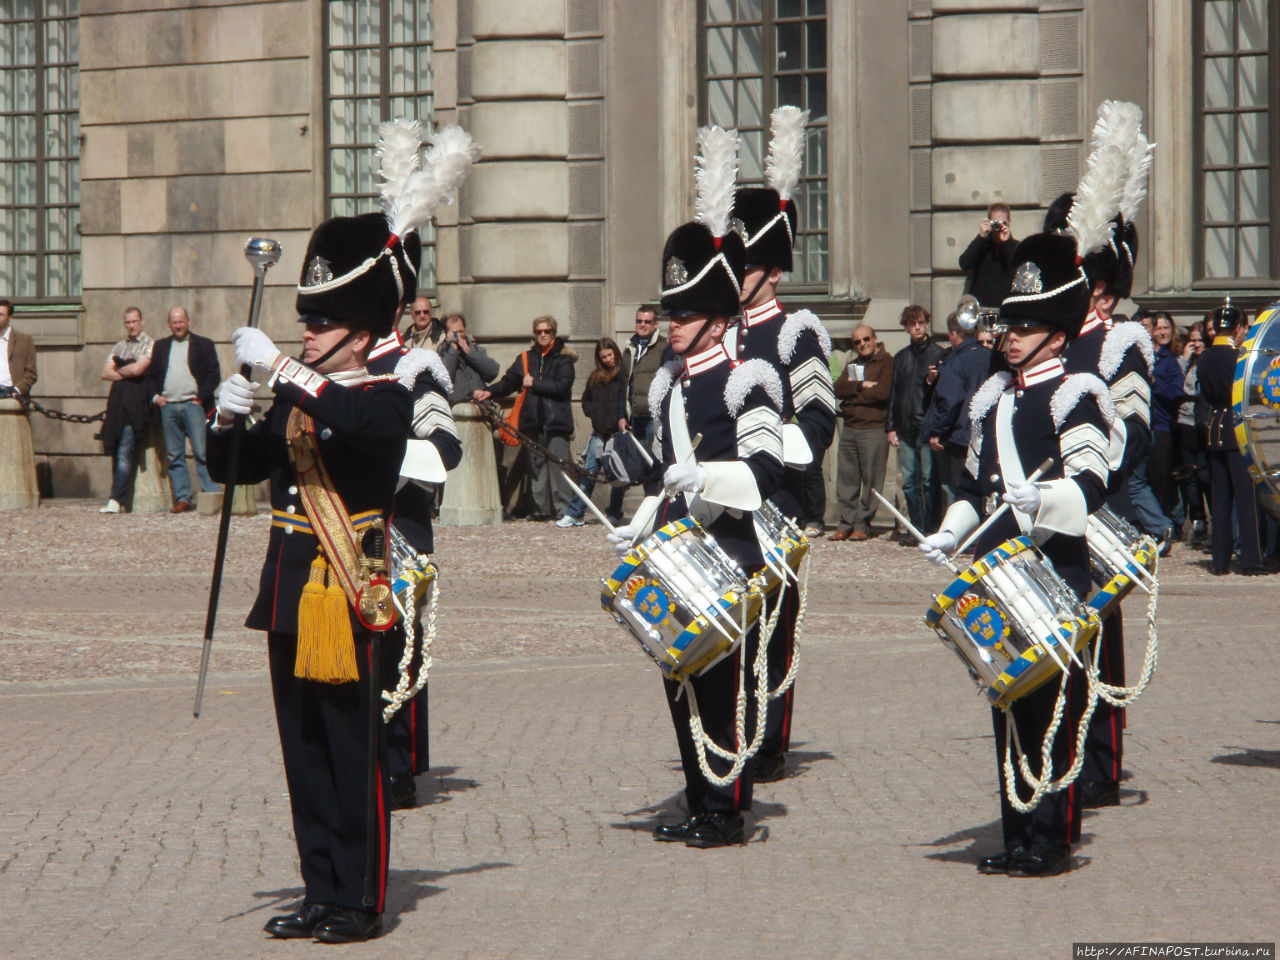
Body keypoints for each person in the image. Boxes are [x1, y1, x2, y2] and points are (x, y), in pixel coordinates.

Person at [208, 215, 421, 945]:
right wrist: (225, 417)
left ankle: (360, 898)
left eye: (323, 322)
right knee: (302, 751)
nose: (308, 332)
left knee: (348, 750)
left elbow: (360, 426)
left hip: (346, 594)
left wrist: (280, 374)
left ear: (360, 333)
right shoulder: (304, 395)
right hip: (289, 591)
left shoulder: (387, 391)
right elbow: (232, 470)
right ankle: (320, 886)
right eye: (307, 322)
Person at [921, 229, 1113, 878]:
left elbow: (1091, 482)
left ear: (1057, 334)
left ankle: (1053, 837)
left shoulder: (1078, 392)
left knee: (1053, 709)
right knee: (1007, 703)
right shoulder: (994, 398)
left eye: (1026, 326)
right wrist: (952, 528)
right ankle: (1018, 830)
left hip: (1054, 570)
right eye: (1010, 324)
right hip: (1001, 573)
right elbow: (976, 487)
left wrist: (1044, 496)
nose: (1010, 335)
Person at [608, 171, 785, 848]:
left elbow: (765, 472)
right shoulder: (668, 389)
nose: (672, 326)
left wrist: (701, 476)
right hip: (680, 549)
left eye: (683, 316)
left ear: (715, 316)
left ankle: (726, 807)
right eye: (671, 313)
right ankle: (699, 792)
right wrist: (643, 503)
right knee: (678, 683)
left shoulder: (751, 380)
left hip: (730, 553)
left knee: (719, 690)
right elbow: (663, 474)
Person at [728, 106, 837, 780]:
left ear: (770, 270)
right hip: (724, 503)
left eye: (745, 266)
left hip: (779, 504)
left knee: (772, 627)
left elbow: (819, 421)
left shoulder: (797, 331)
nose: (734, 277)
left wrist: (771, 454)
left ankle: (769, 738)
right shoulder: (723, 335)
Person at [474, 316, 577, 521]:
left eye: (547, 331)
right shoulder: (526, 358)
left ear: (554, 333)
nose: (543, 335)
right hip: (532, 421)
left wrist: (534, 383)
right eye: (539, 332)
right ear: (535, 334)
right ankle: (541, 511)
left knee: (559, 469)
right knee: (536, 469)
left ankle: (563, 511)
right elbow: (508, 382)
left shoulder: (564, 359)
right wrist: (489, 392)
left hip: (556, 422)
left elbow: (562, 386)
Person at [1200, 300, 1266, 575]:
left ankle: (1220, 559)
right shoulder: (1237, 357)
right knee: (1246, 497)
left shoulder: (1204, 357)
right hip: (1238, 427)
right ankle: (1251, 559)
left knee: (1220, 498)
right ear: (1238, 328)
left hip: (1215, 426)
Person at [143, 306, 221, 513]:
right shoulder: (160, 346)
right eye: (174, 322)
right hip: (168, 407)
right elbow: (150, 378)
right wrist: (156, 398)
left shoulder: (204, 345)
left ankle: (211, 494)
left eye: (181, 321)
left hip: (193, 405)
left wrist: (200, 397)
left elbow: (214, 375)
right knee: (174, 455)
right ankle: (183, 498)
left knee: (202, 452)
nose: (178, 325)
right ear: (169, 324)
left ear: (188, 321)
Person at [921, 312, 990, 509]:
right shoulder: (991, 357)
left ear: (953, 333)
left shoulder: (955, 361)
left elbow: (949, 401)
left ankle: (962, 537)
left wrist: (937, 432)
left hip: (960, 437)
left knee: (959, 493)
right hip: (986, 433)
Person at [886, 304, 944, 535]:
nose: (917, 327)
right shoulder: (901, 357)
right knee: (909, 482)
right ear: (907, 327)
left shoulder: (938, 353)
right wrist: (890, 427)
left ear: (927, 324)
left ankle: (931, 528)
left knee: (929, 480)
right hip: (905, 426)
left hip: (927, 426)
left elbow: (942, 393)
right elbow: (894, 394)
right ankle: (916, 528)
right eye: (912, 323)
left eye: (920, 322)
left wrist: (932, 380)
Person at [831, 325, 892, 541]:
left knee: (872, 479)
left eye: (866, 339)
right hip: (850, 427)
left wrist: (855, 393)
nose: (862, 344)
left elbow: (883, 393)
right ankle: (846, 522)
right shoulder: (854, 364)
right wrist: (862, 386)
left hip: (873, 428)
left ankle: (862, 524)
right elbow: (838, 389)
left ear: (875, 339)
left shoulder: (886, 362)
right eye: (857, 342)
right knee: (847, 478)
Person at [559, 337, 626, 526]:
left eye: (610, 355)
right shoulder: (595, 377)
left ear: (615, 353)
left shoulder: (624, 374)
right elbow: (586, 399)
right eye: (603, 357)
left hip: (617, 434)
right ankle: (575, 513)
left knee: (618, 477)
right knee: (589, 473)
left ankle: (614, 512)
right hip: (598, 433)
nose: (607, 360)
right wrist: (593, 412)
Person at [98, 307, 154, 514]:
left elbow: (139, 369)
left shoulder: (149, 344)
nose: (131, 325)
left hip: (135, 405)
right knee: (113, 447)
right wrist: (127, 370)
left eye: (134, 321)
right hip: (116, 405)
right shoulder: (119, 345)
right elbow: (105, 372)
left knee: (125, 450)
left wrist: (119, 370)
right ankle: (116, 496)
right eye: (128, 322)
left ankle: (116, 499)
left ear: (142, 321)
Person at [1147, 311, 1183, 533]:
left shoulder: (1169, 361)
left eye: (1165, 327)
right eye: (1157, 327)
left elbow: (1175, 393)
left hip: (1162, 426)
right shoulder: (1141, 356)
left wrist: (1155, 382)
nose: (1161, 332)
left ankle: (1164, 526)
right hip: (1143, 425)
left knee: (1162, 477)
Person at [1174, 321, 1209, 544]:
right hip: (1185, 421)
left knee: (1205, 473)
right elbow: (1173, 384)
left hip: (1204, 422)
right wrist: (1184, 359)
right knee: (1190, 474)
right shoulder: (1182, 363)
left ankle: (1211, 517)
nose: (1196, 344)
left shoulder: (1209, 362)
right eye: (1192, 340)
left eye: (1199, 340)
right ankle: (1197, 519)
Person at [617, 305, 667, 447]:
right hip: (634, 417)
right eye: (639, 321)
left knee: (653, 458)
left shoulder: (664, 347)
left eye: (647, 322)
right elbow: (622, 384)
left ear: (655, 324)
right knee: (637, 460)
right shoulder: (629, 348)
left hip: (654, 417)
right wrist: (621, 416)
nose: (642, 325)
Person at [958, 202, 1018, 308]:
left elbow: (1017, 267)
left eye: (1003, 222)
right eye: (995, 222)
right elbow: (964, 264)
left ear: (1009, 223)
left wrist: (1007, 242)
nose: (999, 226)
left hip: (1006, 310)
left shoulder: (1016, 247)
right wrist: (981, 236)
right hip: (982, 311)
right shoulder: (981, 246)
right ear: (989, 223)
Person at [436, 312, 499, 405]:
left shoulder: (476, 350)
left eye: (461, 331)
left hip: (480, 405)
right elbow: (444, 378)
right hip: (456, 407)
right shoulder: (441, 354)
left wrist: (469, 352)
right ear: (446, 333)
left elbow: (492, 372)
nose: (458, 336)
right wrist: (453, 350)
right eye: (454, 332)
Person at [0, 299, 38, 399]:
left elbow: (31, 373)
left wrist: (17, 389)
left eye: (1, 314)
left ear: (10, 317)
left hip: (12, 394)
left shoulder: (24, 341)